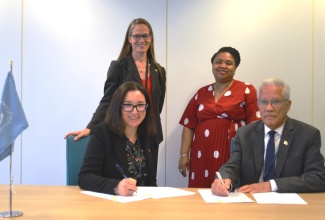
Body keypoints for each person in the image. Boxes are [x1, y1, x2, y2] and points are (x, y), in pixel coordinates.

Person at [64, 18, 166, 161]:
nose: (141, 40)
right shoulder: (119, 66)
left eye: (145, 35)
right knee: (126, 178)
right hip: (124, 132)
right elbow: (108, 101)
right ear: (129, 38)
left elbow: (157, 106)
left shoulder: (159, 71)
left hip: (151, 134)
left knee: (149, 181)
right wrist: (91, 127)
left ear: (151, 38)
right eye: (136, 36)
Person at [211, 77, 325, 196]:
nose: (269, 108)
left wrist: (271, 185)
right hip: (251, 202)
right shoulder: (244, 133)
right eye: (264, 102)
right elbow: (232, 165)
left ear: (288, 105)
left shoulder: (307, 135)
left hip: (290, 205)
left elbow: (318, 178)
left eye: (276, 101)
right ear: (258, 105)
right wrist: (224, 179)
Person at [178, 47, 260, 188]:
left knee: (226, 188)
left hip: (231, 152)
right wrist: (184, 155)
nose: (223, 66)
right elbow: (188, 125)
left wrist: (251, 157)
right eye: (218, 62)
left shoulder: (246, 89)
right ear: (212, 65)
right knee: (200, 192)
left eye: (228, 63)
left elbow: (255, 125)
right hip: (201, 153)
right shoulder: (202, 92)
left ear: (235, 67)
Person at [78, 81, 157, 196]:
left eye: (140, 105)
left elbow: (151, 181)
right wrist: (116, 187)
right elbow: (85, 177)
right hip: (110, 205)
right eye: (128, 105)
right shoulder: (102, 133)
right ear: (118, 107)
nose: (135, 111)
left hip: (142, 204)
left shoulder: (149, 135)